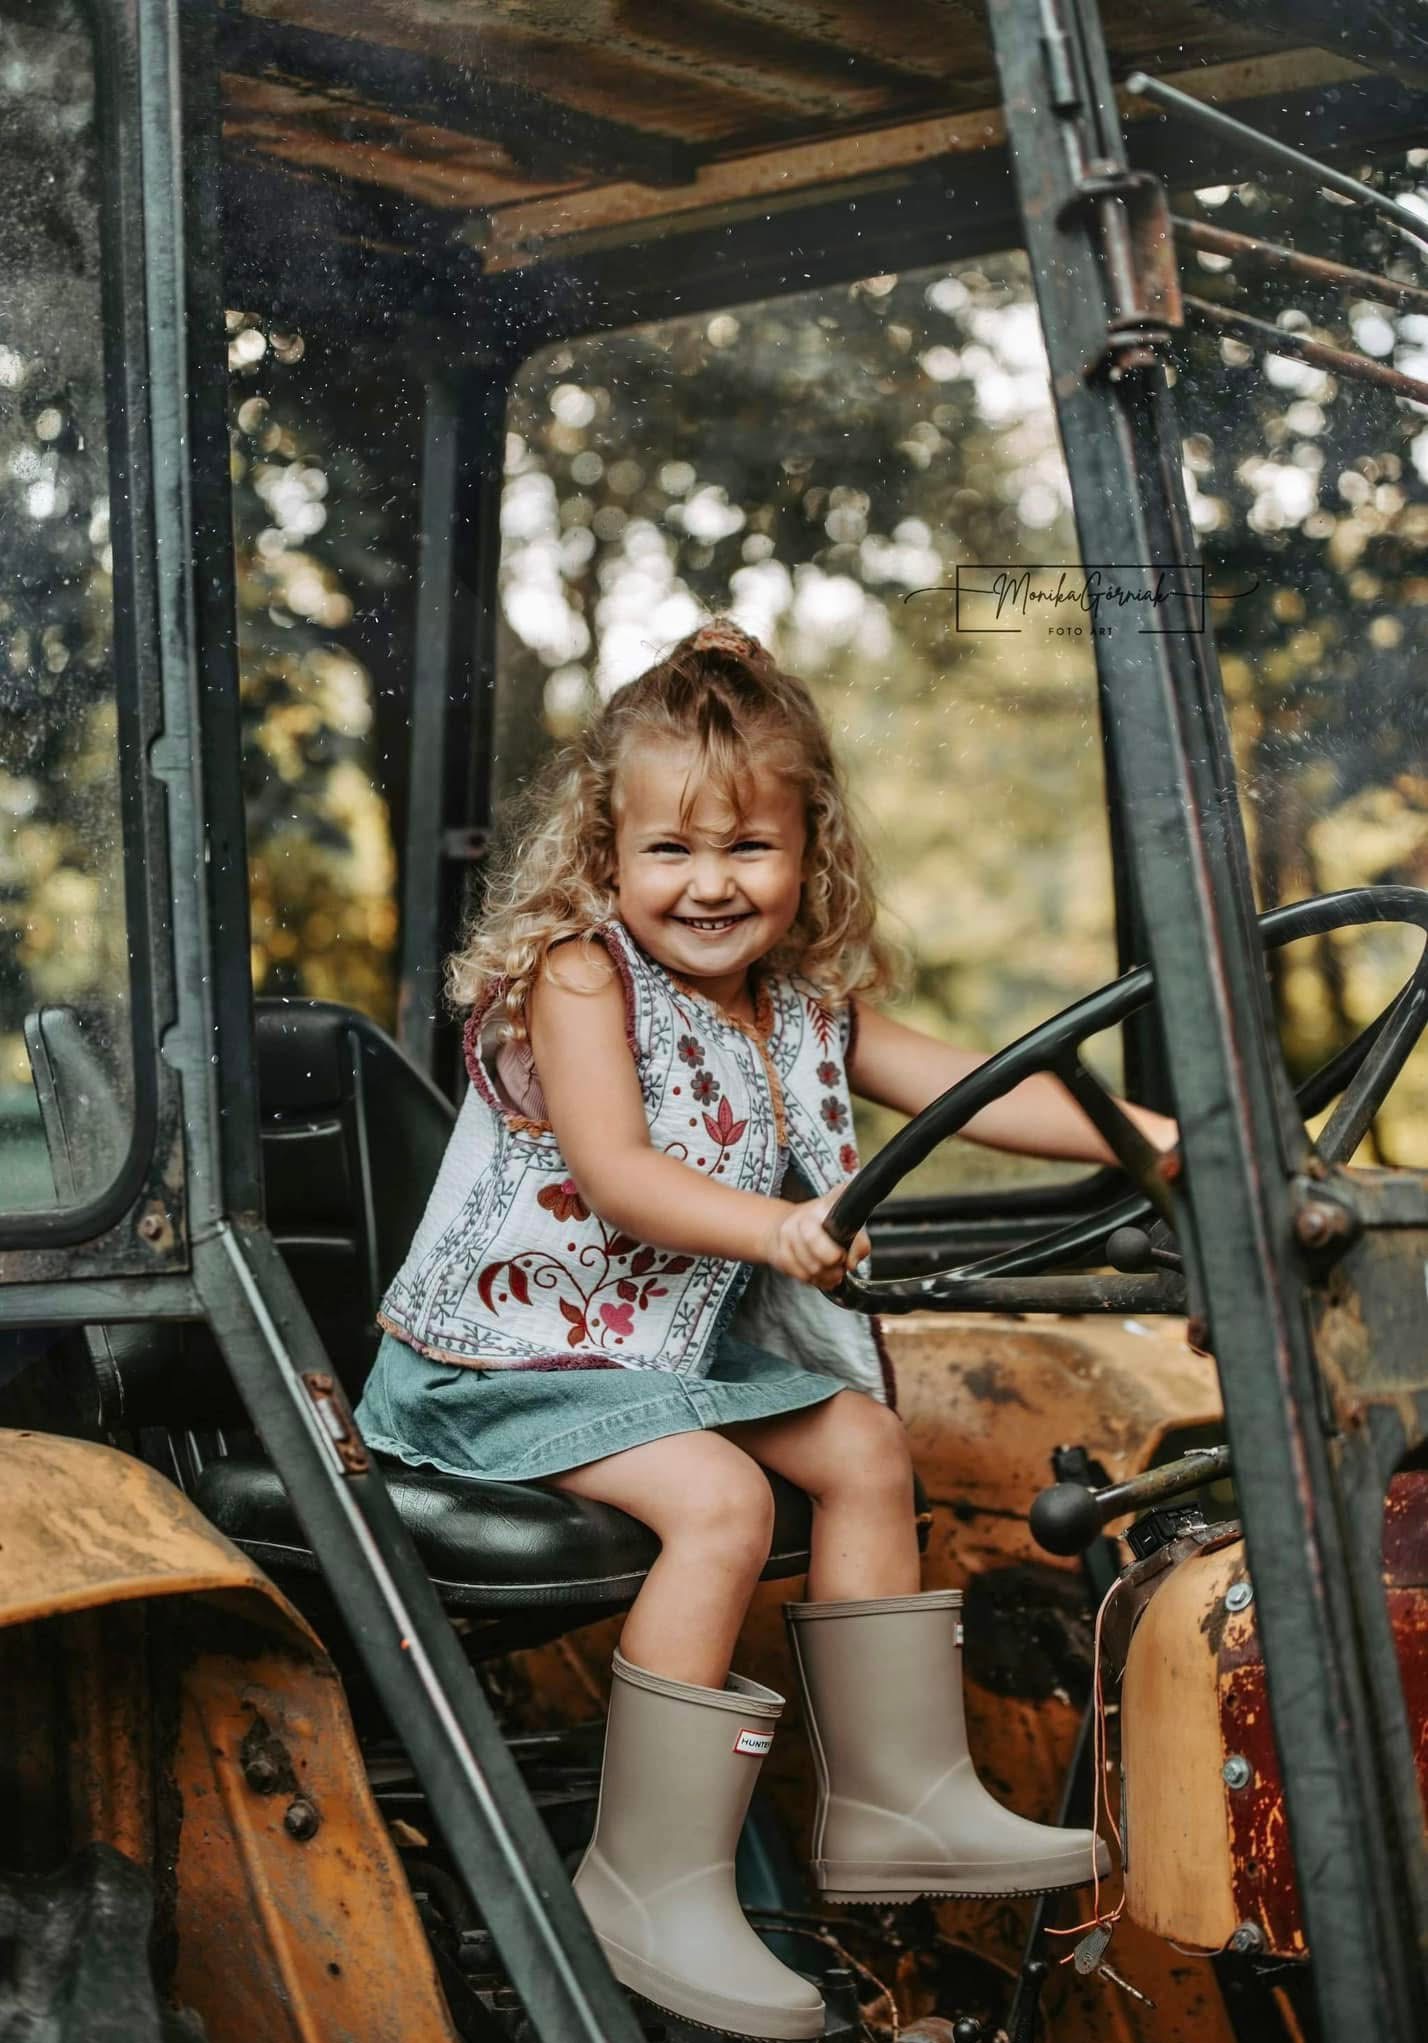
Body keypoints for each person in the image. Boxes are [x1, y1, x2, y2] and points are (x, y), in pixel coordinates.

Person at [356, 620, 1175, 2041]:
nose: (711, 883)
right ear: (604, 855)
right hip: (497, 1368)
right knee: (724, 1501)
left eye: (749, 847)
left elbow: (981, 1088)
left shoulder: (803, 1005)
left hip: (648, 1363)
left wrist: (1172, 1144)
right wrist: (773, 1229)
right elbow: (619, 1174)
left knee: (865, 1440)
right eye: (670, 850)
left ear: (813, 853)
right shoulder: (580, 976)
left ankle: (895, 1797)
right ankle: (647, 1880)